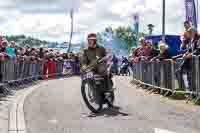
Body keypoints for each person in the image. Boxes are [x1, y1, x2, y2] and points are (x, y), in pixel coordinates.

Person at [80, 33, 114, 105]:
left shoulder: (101, 48)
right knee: (86, 76)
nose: (89, 41)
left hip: (101, 66)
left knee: (104, 71)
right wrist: (84, 66)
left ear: (95, 40)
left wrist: (106, 58)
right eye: (89, 40)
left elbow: (107, 55)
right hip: (91, 68)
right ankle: (94, 93)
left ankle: (108, 90)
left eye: (91, 40)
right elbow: (83, 60)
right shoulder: (85, 50)